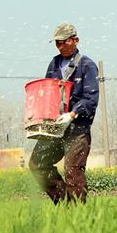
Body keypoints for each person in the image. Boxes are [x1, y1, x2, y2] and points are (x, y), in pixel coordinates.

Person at [28, 23, 100, 204]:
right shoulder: (54, 63)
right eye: (57, 43)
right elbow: (48, 91)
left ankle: (78, 215)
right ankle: (65, 203)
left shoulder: (87, 65)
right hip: (55, 128)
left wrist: (72, 114)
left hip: (77, 129)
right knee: (37, 164)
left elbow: (91, 99)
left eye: (64, 42)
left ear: (75, 40)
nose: (60, 46)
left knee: (73, 170)